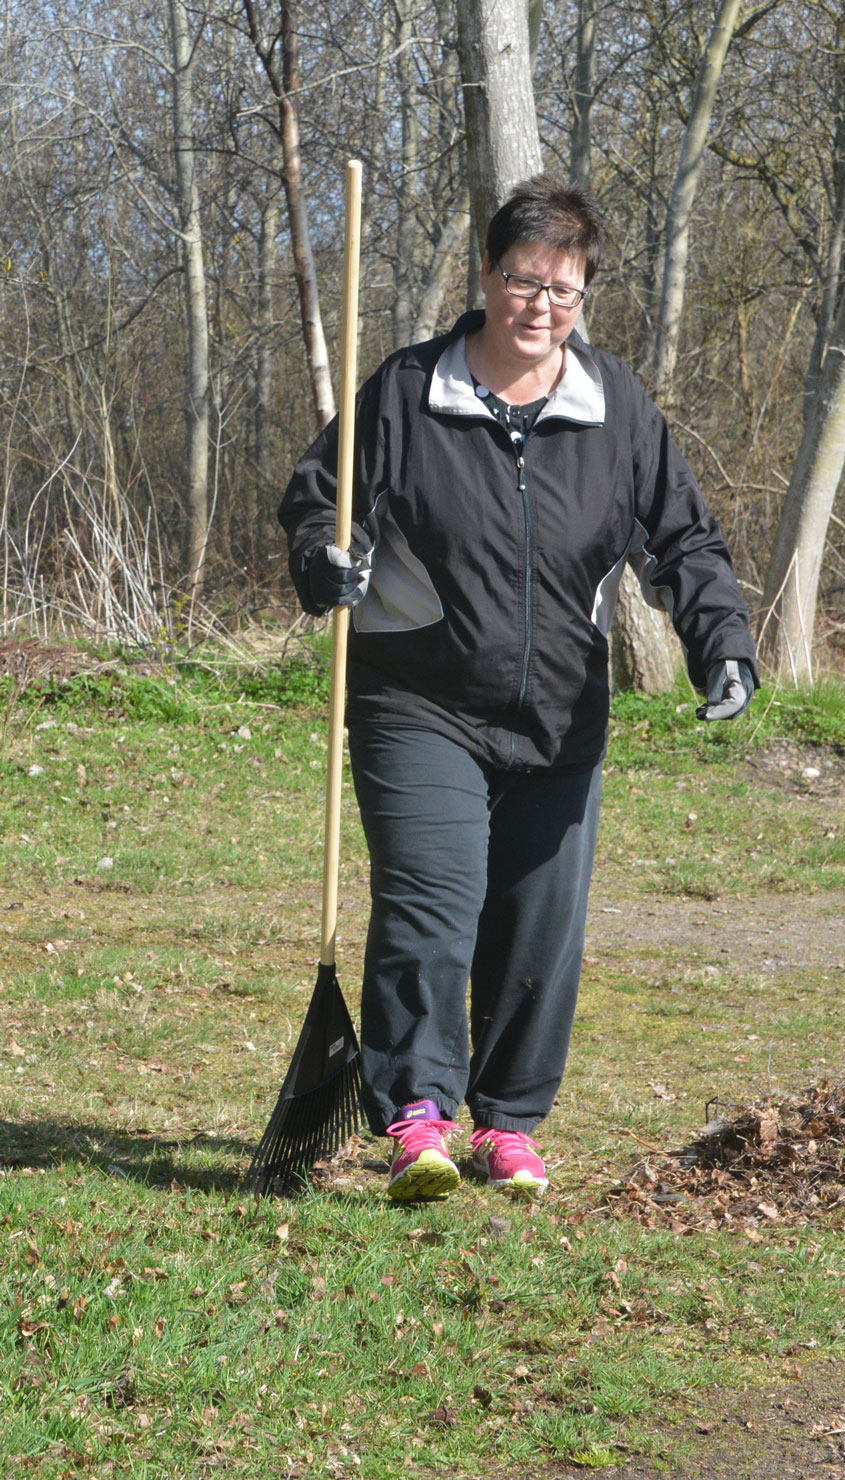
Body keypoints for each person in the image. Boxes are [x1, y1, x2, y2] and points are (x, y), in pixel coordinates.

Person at [278, 175, 757, 1202]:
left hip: (559, 714)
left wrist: (721, 641)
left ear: (583, 295)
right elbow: (323, 500)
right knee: (430, 900)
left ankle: (506, 1125)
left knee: (540, 925)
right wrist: (326, 561)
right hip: (418, 699)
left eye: (563, 288)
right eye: (522, 279)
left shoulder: (614, 407)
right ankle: (418, 1115)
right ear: (487, 276)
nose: (540, 305)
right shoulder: (410, 391)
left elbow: (684, 540)